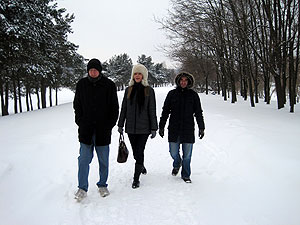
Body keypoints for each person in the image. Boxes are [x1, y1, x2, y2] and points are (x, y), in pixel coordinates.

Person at [73, 58, 119, 201]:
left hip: (102, 131)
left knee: (103, 160)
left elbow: (114, 107)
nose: (93, 72)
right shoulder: (81, 84)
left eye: (95, 70)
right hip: (86, 130)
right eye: (90, 70)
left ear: (99, 71)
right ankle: (82, 188)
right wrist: (80, 121)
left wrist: (109, 124)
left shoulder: (109, 85)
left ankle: (102, 185)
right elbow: (77, 105)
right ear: (88, 71)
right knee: (84, 160)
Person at [158, 72, 205, 183]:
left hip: (188, 129)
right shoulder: (172, 94)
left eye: (185, 80)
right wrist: (161, 126)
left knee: (187, 155)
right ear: (178, 82)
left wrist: (201, 127)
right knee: (173, 152)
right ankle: (177, 163)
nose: (183, 82)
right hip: (174, 128)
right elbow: (165, 111)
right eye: (181, 80)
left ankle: (186, 175)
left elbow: (198, 112)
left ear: (188, 82)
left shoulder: (193, 95)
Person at [117, 64, 158, 189]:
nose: (137, 76)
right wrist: (120, 124)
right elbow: (124, 108)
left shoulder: (149, 90)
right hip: (130, 128)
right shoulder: (128, 90)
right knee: (136, 152)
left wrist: (154, 128)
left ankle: (136, 179)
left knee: (139, 151)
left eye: (139, 73)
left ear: (143, 75)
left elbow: (152, 109)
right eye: (135, 73)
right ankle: (141, 164)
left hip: (144, 128)